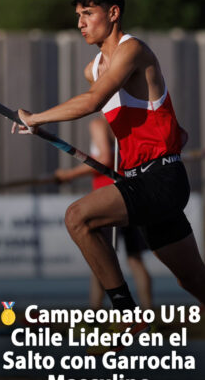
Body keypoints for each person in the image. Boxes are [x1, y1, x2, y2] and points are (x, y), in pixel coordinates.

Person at [11, 0, 205, 377]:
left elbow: (92, 101)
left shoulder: (133, 50)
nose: (80, 23)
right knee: (195, 280)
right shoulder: (94, 68)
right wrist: (164, 137)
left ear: (114, 12)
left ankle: (126, 314)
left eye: (88, 13)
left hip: (162, 181)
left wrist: (36, 117)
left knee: (78, 217)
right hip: (145, 179)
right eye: (78, 15)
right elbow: (176, 130)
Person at [54, 116, 152, 311]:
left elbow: (105, 158)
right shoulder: (130, 121)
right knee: (135, 260)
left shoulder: (100, 124)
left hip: (108, 200)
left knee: (102, 260)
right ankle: (149, 316)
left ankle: (94, 317)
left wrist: (69, 175)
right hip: (132, 195)